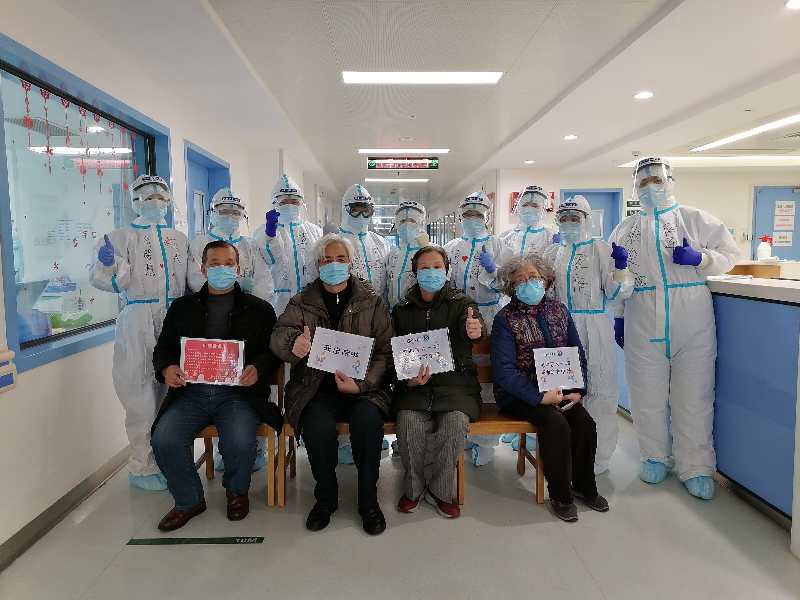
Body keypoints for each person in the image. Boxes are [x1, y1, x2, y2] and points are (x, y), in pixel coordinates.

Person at [609, 157, 739, 500]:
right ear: (635, 188)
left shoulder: (695, 219)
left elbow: (730, 254)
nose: (650, 186)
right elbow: (618, 278)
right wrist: (619, 315)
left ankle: (695, 467)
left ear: (670, 181)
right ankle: (654, 457)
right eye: (643, 182)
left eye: (657, 179)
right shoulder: (625, 229)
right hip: (641, 315)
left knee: (694, 396)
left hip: (691, 315)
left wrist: (701, 259)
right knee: (645, 394)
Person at [150, 241, 282, 531]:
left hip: (238, 394)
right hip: (190, 393)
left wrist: (258, 368)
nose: (222, 269)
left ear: (238, 268)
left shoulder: (259, 310)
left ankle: (236, 492)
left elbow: (272, 352)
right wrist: (167, 368)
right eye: (214, 263)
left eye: (228, 264)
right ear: (203, 268)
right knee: (164, 439)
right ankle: (188, 500)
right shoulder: (182, 308)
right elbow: (163, 349)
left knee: (240, 441)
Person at [270, 234, 393, 535]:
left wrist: (362, 385)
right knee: (317, 427)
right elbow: (278, 336)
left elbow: (385, 351)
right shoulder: (302, 302)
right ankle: (325, 498)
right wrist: (293, 344)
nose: (333, 265)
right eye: (327, 260)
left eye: (340, 259)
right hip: (316, 387)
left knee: (368, 422)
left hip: (362, 389)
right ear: (317, 265)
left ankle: (368, 500)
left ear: (351, 263)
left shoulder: (371, 301)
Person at [491, 253, 609, 522]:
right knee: (555, 424)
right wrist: (539, 397)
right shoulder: (505, 319)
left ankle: (584, 486)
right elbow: (504, 371)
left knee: (584, 424)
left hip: (560, 389)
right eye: (520, 280)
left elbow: (576, 352)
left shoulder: (559, 310)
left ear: (545, 280)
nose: (528, 283)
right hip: (520, 395)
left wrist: (578, 389)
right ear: (512, 287)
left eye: (533, 277)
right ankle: (560, 495)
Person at [90, 175, 188, 491]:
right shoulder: (120, 237)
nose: (155, 202)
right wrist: (108, 265)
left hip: (174, 318)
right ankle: (143, 466)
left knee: (174, 390)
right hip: (138, 320)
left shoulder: (178, 238)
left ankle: (171, 458)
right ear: (135, 202)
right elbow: (107, 279)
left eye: (161, 197)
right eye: (148, 197)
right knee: (140, 392)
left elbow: (190, 279)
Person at [392, 245, 485, 519]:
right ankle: (413, 488)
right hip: (416, 388)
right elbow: (395, 354)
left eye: (437, 267)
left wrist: (475, 330)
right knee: (408, 421)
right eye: (424, 267)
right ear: (414, 272)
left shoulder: (462, 304)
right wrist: (409, 381)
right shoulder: (401, 309)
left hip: (456, 387)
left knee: (455, 422)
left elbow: (474, 328)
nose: (431, 272)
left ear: (447, 271)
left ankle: (440, 491)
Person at [187, 188, 276, 472]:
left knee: (249, 385)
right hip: (212, 326)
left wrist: (249, 295)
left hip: (247, 321)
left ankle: (254, 449)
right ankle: (225, 451)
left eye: (235, 212)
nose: (230, 216)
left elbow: (265, 281)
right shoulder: (199, 243)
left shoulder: (250, 246)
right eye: (224, 211)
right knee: (218, 387)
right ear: (213, 213)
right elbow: (193, 280)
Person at [544, 195, 633, 475]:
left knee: (600, 389)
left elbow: (617, 292)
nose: (569, 223)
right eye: (564, 219)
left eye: (575, 218)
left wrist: (621, 270)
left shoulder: (600, 249)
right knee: (560, 392)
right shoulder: (553, 252)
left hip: (594, 326)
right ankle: (564, 453)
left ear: (586, 220)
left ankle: (598, 457)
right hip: (560, 326)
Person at [444, 191, 512, 466]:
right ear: (461, 217)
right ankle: (462, 430)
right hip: (457, 315)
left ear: (486, 216)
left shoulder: (498, 244)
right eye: (468, 213)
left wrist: (493, 271)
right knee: (460, 371)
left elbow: (507, 284)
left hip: (490, 314)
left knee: (488, 374)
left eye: (477, 214)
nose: (472, 218)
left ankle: (486, 441)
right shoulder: (451, 247)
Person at [337, 183, 392, 463]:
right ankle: (345, 440)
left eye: (366, 209)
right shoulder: (336, 241)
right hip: (346, 318)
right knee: (346, 374)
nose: (361, 215)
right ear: (345, 209)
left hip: (377, 318)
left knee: (376, 375)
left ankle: (373, 432)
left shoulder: (380, 242)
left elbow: (388, 282)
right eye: (355, 209)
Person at [253, 174, 323, 317]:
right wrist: (270, 235)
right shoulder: (262, 232)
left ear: (301, 203)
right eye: (284, 201)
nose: (290, 205)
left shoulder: (314, 231)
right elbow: (265, 261)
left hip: (311, 301)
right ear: (274, 203)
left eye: (294, 201)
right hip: (279, 303)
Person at [386, 200, 430, 309]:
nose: (406, 225)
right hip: (394, 312)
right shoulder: (393, 253)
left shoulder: (431, 251)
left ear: (421, 223)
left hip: (419, 311)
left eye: (412, 220)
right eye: (402, 221)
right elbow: (388, 283)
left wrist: (426, 249)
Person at [500, 185, 558, 256]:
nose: (529, 209)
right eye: (525, 205)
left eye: (535, 206)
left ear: (543, 209)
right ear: (518, 207)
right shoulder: (506, 236)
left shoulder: (550, 237)